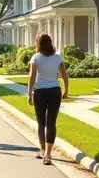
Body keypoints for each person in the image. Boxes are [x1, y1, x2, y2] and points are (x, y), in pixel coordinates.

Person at [28, 33, 70, 165]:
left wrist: (29, 93)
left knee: (41, 123)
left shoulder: (36, 57)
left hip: (40, 92)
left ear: (38, 43)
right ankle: (48, 154)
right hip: (54, 92)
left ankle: (42, 150)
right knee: (51, 123)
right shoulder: (58, 57)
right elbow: (64, 75)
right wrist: (66, 90)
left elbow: (32, 76)